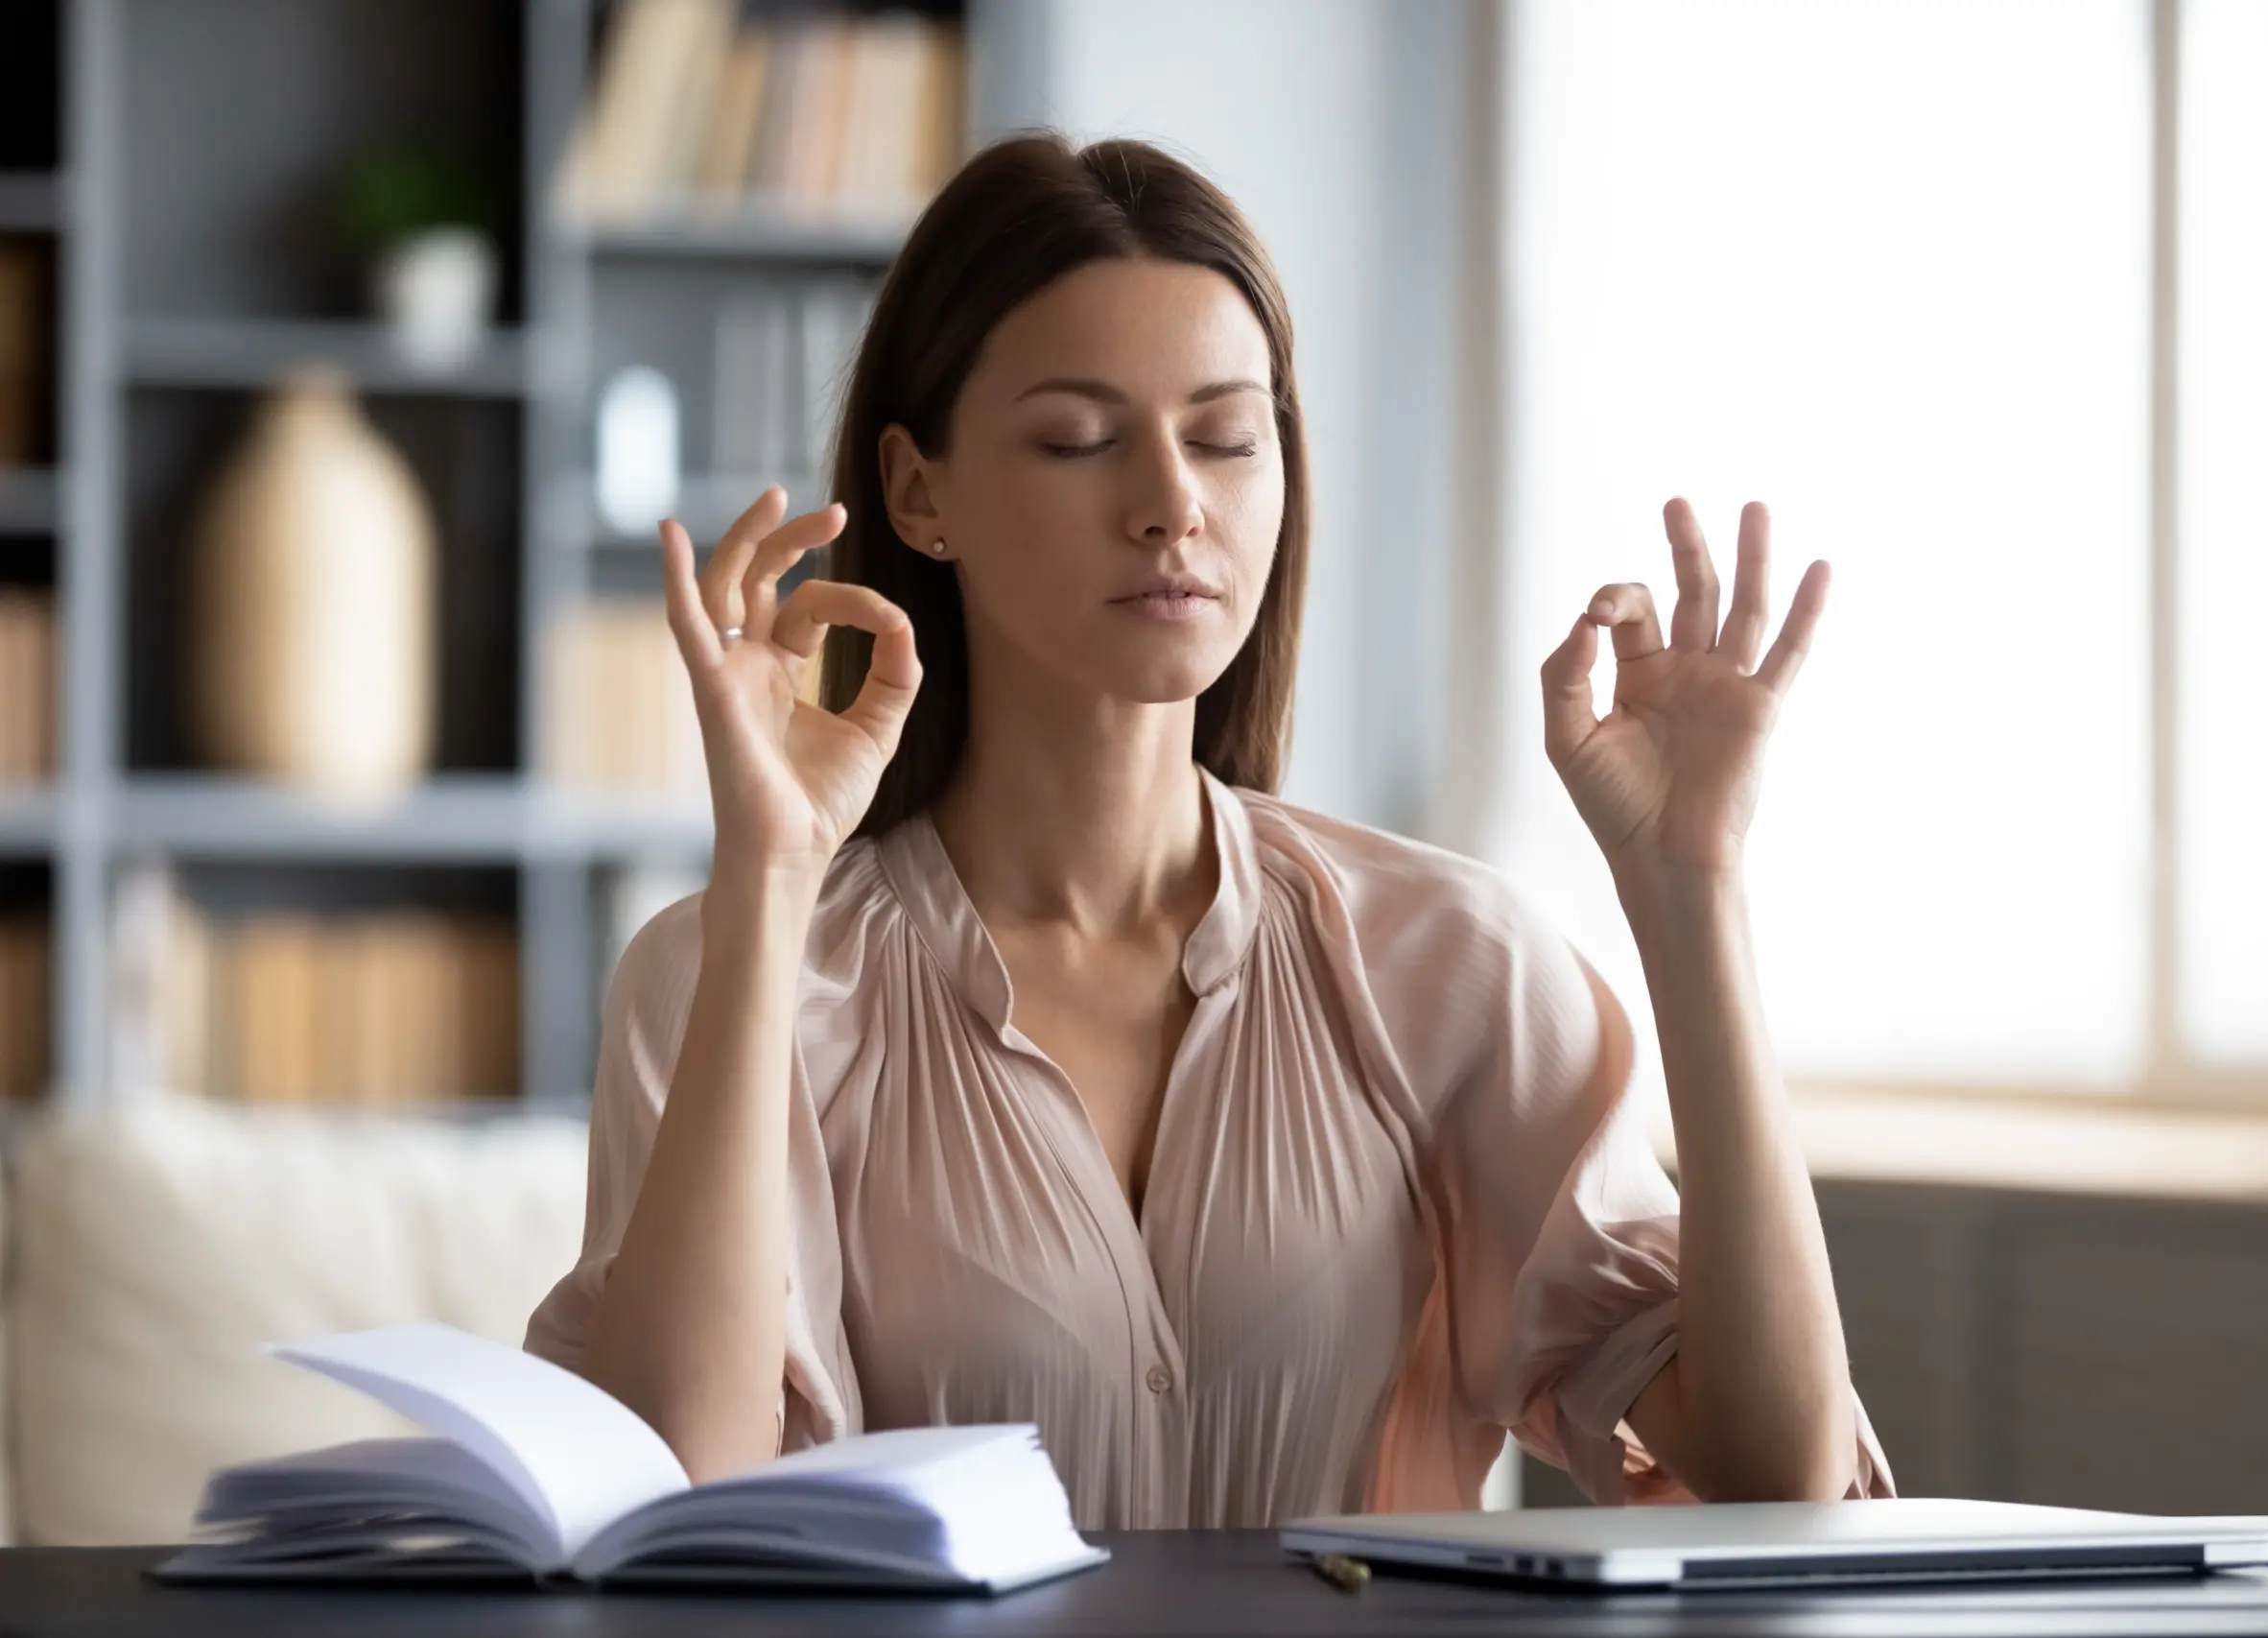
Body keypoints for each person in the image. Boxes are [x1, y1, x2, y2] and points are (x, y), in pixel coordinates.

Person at [526, 132, 1892, 1529]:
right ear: (920, 491)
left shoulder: (1448, 965)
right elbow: (672, 1499)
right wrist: (770, 875)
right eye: (1079, 440)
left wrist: (1692, 886)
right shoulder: (733, 977)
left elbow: (1778, 1472)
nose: (1174, 504)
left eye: (1229, 439)